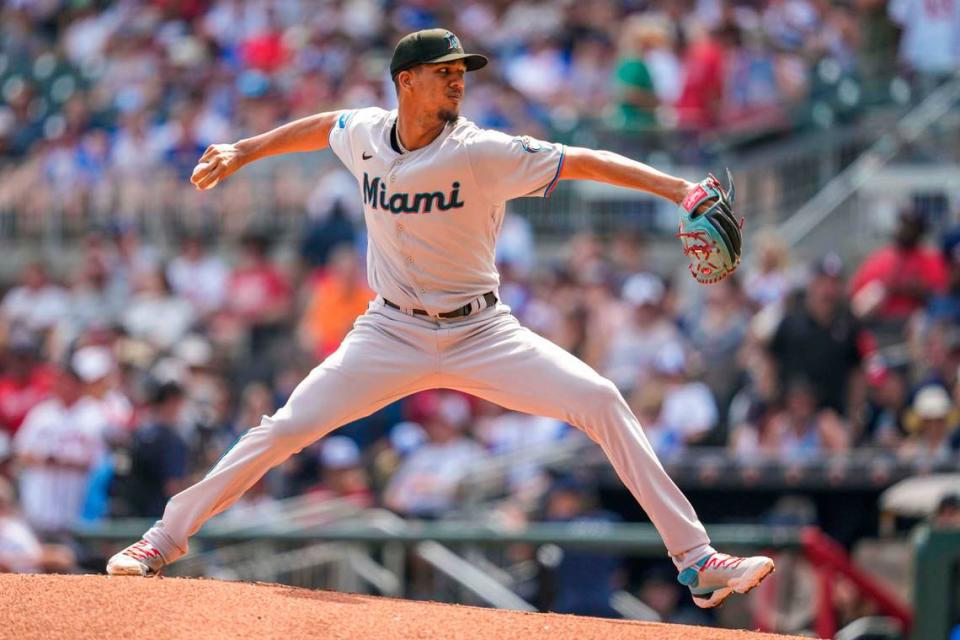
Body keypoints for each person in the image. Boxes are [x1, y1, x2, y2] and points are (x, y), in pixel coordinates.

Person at [107, 28, 773, 610]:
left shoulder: (483, 150)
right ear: (406, 82)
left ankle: (697, 561)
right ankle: (162, 540)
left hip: (482, 331)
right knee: (285, 427)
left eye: (462, 72)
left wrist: (678, 188)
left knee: (600, 398)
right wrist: (246, 149)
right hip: (389, 331)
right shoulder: (367, 133)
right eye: (445, 72)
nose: (459, 81)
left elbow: (583, 160)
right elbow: (323, 124)